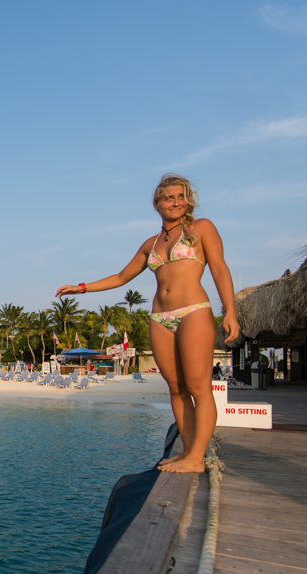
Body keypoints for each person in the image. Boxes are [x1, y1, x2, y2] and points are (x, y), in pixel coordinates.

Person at [56, 174, 239, 473]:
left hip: (194, 311)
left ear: (189, 200)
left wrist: (229, 311)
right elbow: (121, 277)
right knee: (176, 387)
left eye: (181, 196)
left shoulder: (201, 228)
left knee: (198, 386)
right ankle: (187, 452)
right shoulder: (150, 244)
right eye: (169, 197)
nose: (176, 202)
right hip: (159, 318)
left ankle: (197, 457)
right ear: (157, 204)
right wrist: (82, 287)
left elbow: (219, 268)